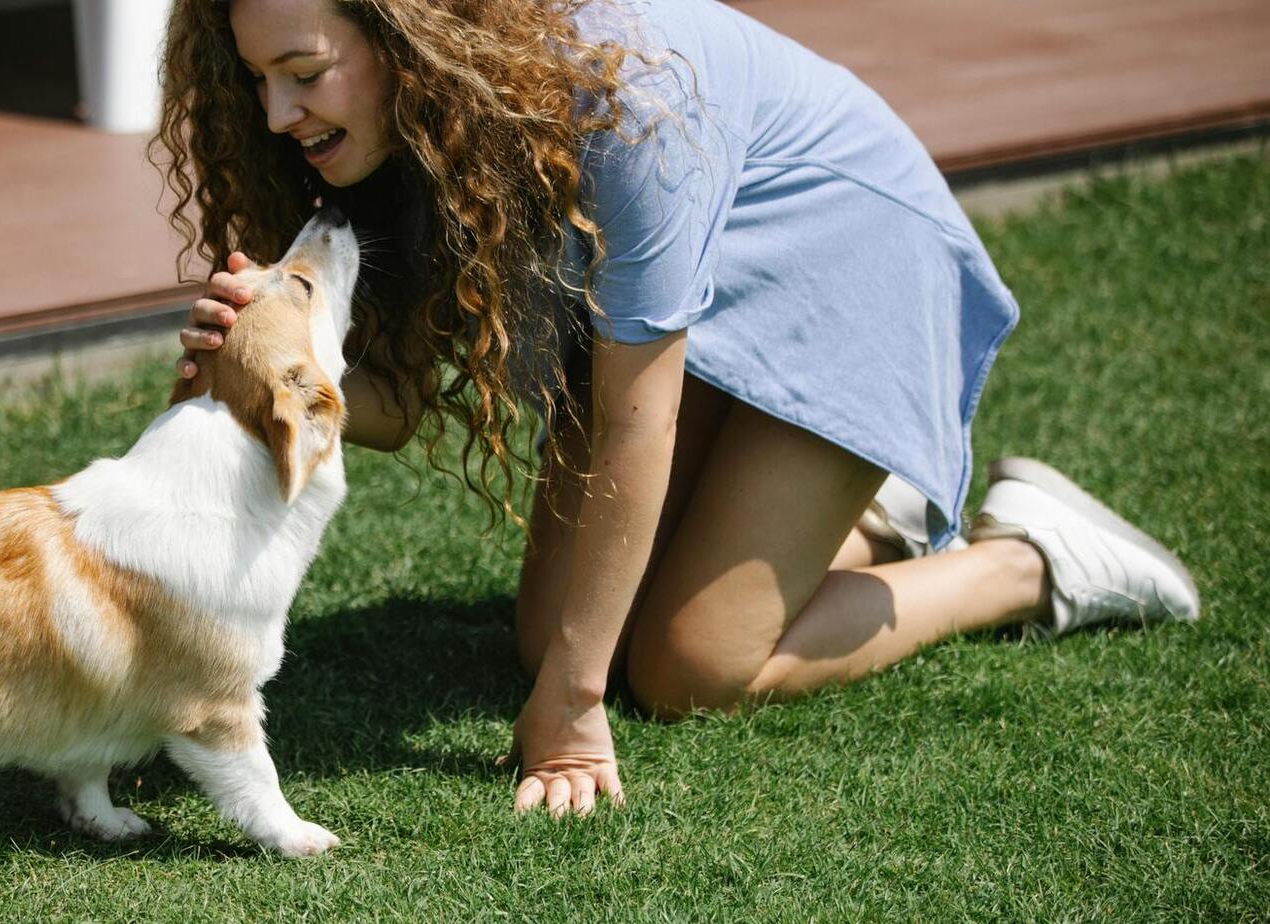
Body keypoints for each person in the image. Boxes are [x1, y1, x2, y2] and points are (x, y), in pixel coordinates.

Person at [158, 0, 1200, 818]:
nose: (275, 115)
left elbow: (633, 423)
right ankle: (854, 519)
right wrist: (259, 369)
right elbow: (398, 401)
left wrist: (571, 714)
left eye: (302, 73)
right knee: (548, 636)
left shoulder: (625, 103)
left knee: (685, 666)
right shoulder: (411, 135)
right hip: (685, 317)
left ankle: (1024, 559)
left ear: (408, 38)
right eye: (256, 79)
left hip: (842, 268)